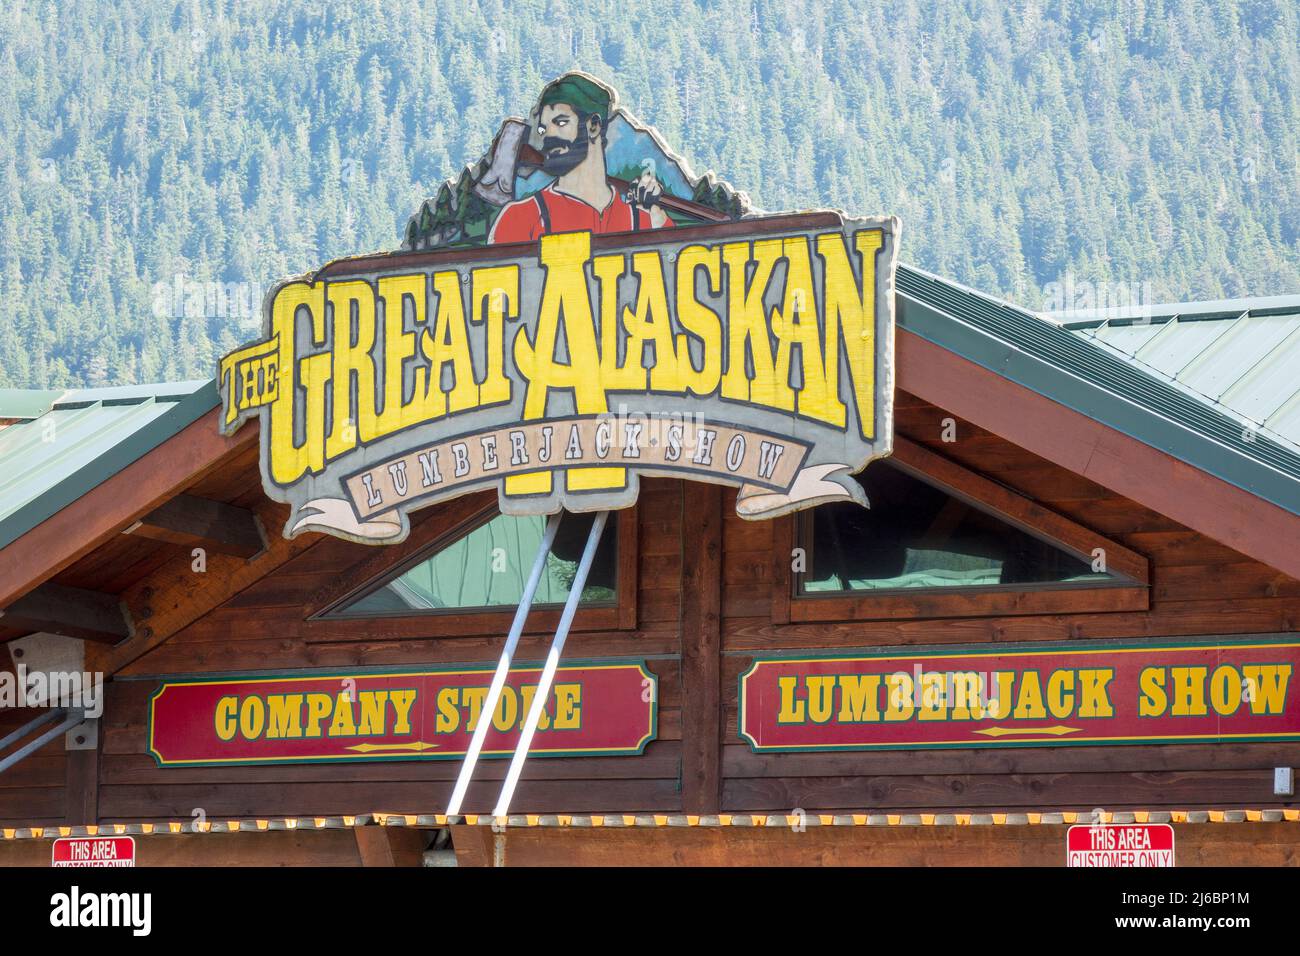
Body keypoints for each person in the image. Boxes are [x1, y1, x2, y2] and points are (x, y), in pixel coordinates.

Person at [488, 74, 674, 244]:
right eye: (543, 129)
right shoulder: (520, 219)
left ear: (594, 126)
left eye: (561, 122)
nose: (547, 136)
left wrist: (655, 220)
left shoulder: (643, 219)